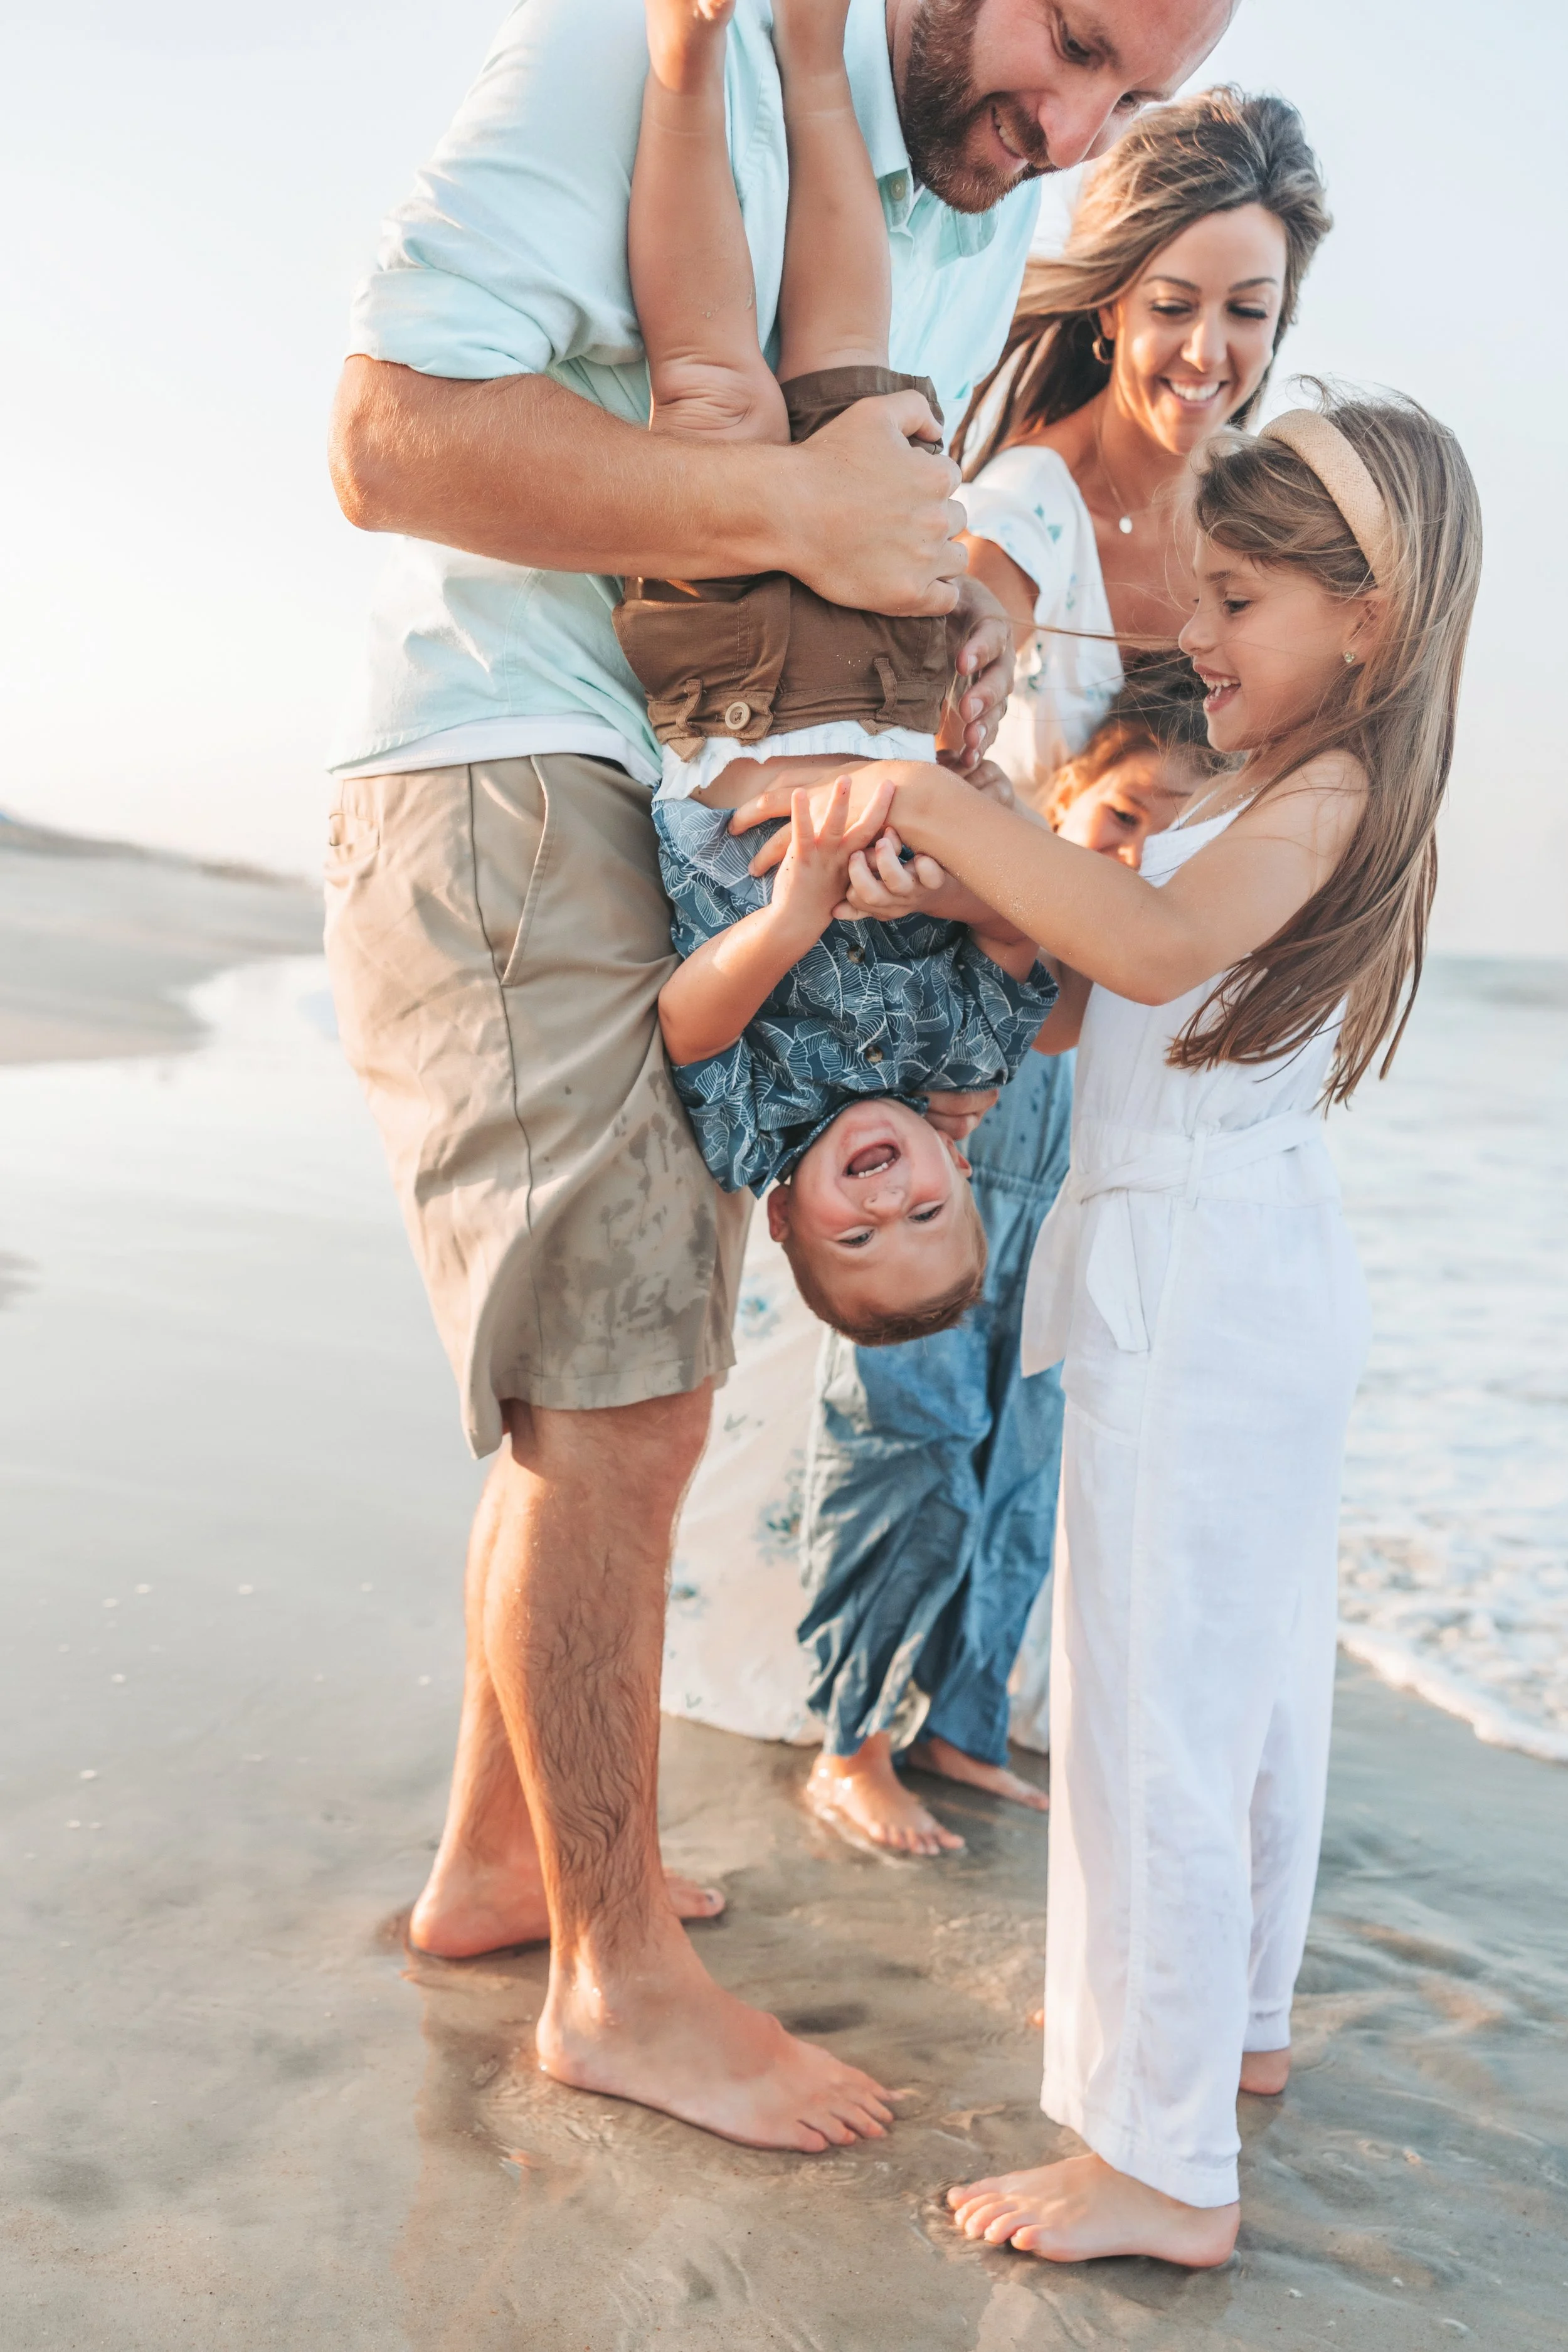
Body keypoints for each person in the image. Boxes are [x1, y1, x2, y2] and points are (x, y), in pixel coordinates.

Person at [324, 0, 1232, 2154]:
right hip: (515, 776)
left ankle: (505, 1867)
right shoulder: (643, 53)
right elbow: (384, 442)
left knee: (636, 1393)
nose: (1079, 130)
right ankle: (619, 1984)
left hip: (688, 807)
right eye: (1074, 43)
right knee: (620, 1399)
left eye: (1139, 105)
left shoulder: (949, 186)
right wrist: (798, 514)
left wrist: (929, 633)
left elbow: (847, 500)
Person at [791, 384, 1481, 2255]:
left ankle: (1156, 2158)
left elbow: (1156, 948)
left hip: (1205, 1287)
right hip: (1233, 1267)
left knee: (1147, 1705)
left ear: (1371, 614)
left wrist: (936, 798)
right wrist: (995, 877)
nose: (1194, 630)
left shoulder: (1324, 791)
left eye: (1237, 598)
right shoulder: (1273, 788)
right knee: (1239, 1684)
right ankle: (1224, 2026)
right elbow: (1122, 987)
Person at [780, 90, 1329, 1857]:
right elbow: (965, 637)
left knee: (1040, 1405)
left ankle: (959, 1709)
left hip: (1128, 1045)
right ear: (1111, 301)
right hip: (977, 1020)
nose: (1208, 347)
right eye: (1176, 302)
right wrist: (982, 638)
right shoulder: (1028, 493)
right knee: (919, 1389)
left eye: (1246, 307)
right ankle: (847, 1725)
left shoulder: (1257, 522)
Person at [619, 0, 1056, 1336]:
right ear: (960, 1168)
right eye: (927, 1213)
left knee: (717, 398)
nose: (886, 1201)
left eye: (857, 1237)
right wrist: (966, 877)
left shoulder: (754, 1133)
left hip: (730, 705)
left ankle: (681, 63)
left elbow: (682, 1027)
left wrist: (794, 916)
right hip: (880, 687)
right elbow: (1024, 940)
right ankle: (818, 70)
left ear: (788, 1220)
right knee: (850, 377)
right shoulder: (968, 1062)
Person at [798, 657, 1223, 1854]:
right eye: (1122, 815)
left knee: (1020, 1475)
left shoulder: (1147, 949)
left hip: (1054, 1237)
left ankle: (963, 1722)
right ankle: (853, 1742)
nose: (1133, 854)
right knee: (909, 1458)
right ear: (1069, 792)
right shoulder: (1006, 899)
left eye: (1165, 841)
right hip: (936, 1222)